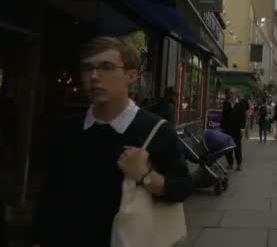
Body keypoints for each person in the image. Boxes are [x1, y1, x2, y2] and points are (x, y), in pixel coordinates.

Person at [32, 36, 192, 246]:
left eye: (106, 67)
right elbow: (50, 192)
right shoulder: (67, 129)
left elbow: (182, 187)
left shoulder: (156, 130)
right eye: (87, 68)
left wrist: (145, 176)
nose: (94, 76)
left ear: (131, 75)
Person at [221, 88, 247, 170]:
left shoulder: (240, 104)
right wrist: (222, 128)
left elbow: (243, 117)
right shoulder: (226, 103)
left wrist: (242, 128)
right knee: (227, 147)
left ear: (236, 95)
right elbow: (223, 116)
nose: (231, 95)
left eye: (233, 93)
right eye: (230, 93)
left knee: (237, 147)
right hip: (227, 129)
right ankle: (230, 163)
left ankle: (239, 163)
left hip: (237, 129)